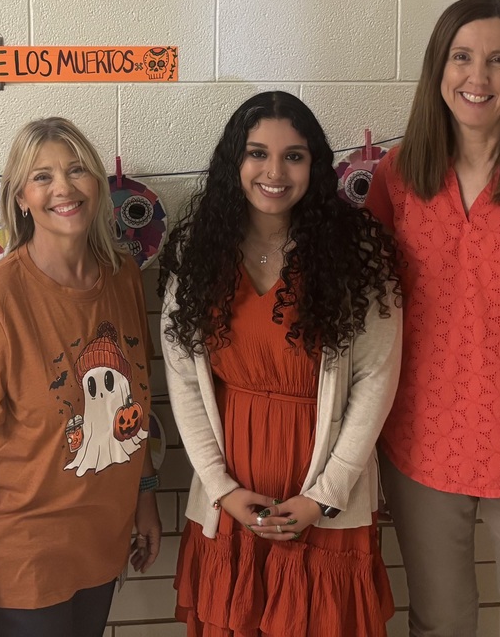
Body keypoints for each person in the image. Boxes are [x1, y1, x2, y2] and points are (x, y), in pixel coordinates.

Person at [366, 0, 500, 636]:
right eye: (461, 57)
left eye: (498, 60)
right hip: (420, 449)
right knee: (439, 624)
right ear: (439, 69)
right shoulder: (397, 175)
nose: (478, 76)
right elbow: (371, 322)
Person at [160, 91, 402, 637]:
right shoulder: (199, 252)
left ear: (315, 165)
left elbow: (375, 378)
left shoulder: (356, 254)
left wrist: (325, 495)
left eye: (293, 155)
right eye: (257, 153)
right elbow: (183, 379)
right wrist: (221, 488)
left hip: (321, 492)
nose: (274, 171)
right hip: (233, 491)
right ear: (234, 163)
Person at [0, 117, 161, 637]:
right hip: (25, 557)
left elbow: (136, 401)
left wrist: (145, 495)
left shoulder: (123, 275)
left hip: (102, 543)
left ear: (97, 185)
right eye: (41, 177)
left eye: (76, 169)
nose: (62, 187)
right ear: (20, 198)